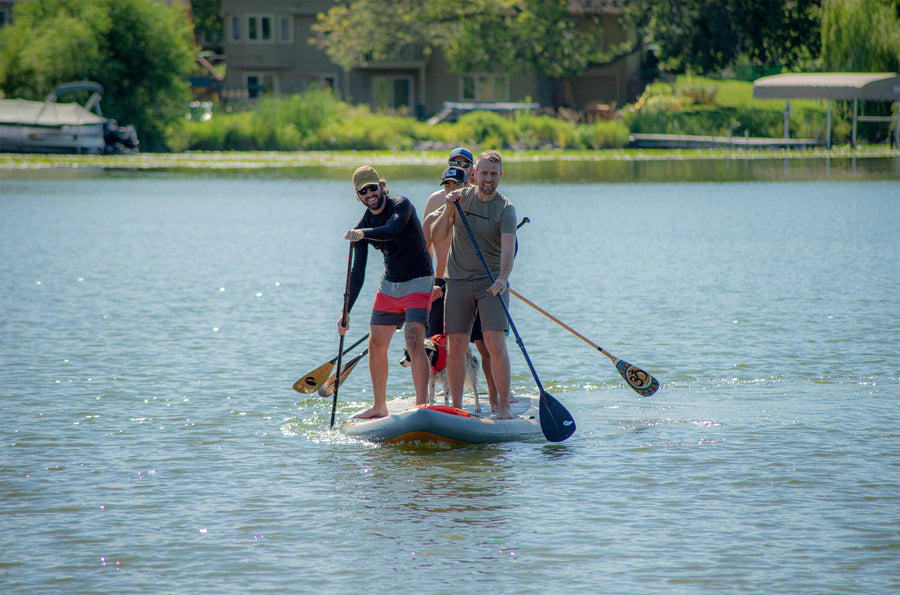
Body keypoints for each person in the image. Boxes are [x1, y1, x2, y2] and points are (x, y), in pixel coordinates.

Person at [340, 165, 434, 419]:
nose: (370, 193)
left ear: (381, 186)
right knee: (376, 344)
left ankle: (422, 405)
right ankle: (379, 406)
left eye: (373, 187)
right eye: (363, 191)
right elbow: (357, 271)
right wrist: (346, 311)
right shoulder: (364, 224)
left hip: (419, 279)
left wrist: (361, 234)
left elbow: (392, 230)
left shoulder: (400, 205)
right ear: (358, 195)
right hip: (389, 284)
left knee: (414, 340)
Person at [430, 150, 517, 419]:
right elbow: (438, 235)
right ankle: (457, 406)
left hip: (491, 283)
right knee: (456, 344)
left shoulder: (506, 209)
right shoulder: (460, 199)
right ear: (474, 174)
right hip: (457, 281)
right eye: (484, 173)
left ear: (500, 176)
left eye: (494, 174)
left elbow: (508, 251)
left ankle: (503, 408)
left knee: (494, 341)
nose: (488, 178)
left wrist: (502, 278)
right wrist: (448, 209)